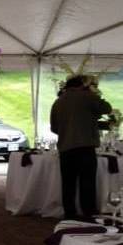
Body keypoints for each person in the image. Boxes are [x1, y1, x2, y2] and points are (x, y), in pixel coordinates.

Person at [50, 75, 112, 219]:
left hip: (65, 148)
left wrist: (68, 131)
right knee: (87, 182)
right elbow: (106, 108)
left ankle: (70, 214)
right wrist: (93, 92)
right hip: (85, 147)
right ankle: (88, 213)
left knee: (68, 184)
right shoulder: (87, 96)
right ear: (81, 85)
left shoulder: (58, 101)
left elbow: (54, 128)